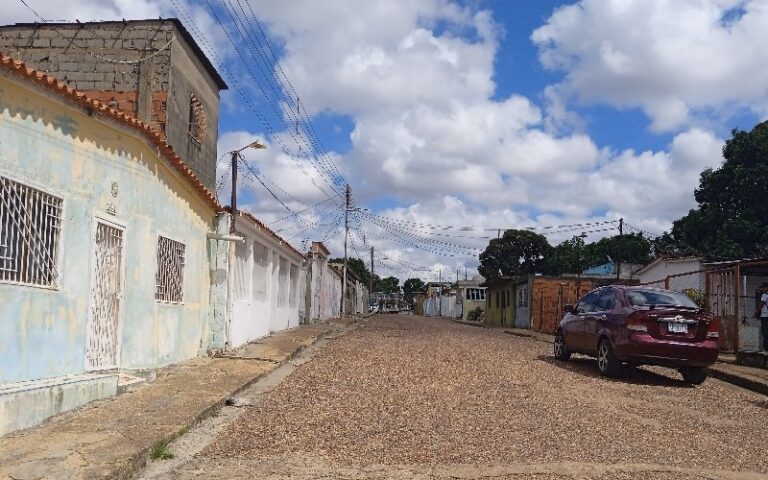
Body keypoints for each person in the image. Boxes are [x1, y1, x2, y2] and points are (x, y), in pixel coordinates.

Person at [760, 283, 768, 351]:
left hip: (765, 315)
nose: (762, 289)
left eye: (763, 288)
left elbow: (761, 305)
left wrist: (755, 313)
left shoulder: (765, 295)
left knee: (764, 331)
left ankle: (766, 347)